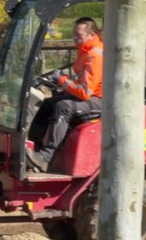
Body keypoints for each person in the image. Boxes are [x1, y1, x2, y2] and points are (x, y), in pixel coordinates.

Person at [28, 17, 104, 172]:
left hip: (101, 101)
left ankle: (46, 157)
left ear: (92, 34)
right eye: (74, 34)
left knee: (64, 107)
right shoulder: (85, 50)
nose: (75, 38)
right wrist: (64, 81)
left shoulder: (94, 56)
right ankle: (33, 147)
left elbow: (84, 92)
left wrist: (61, 80)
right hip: (91, 96)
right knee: (49, 103)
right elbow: (81, 81)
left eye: (78, 35)